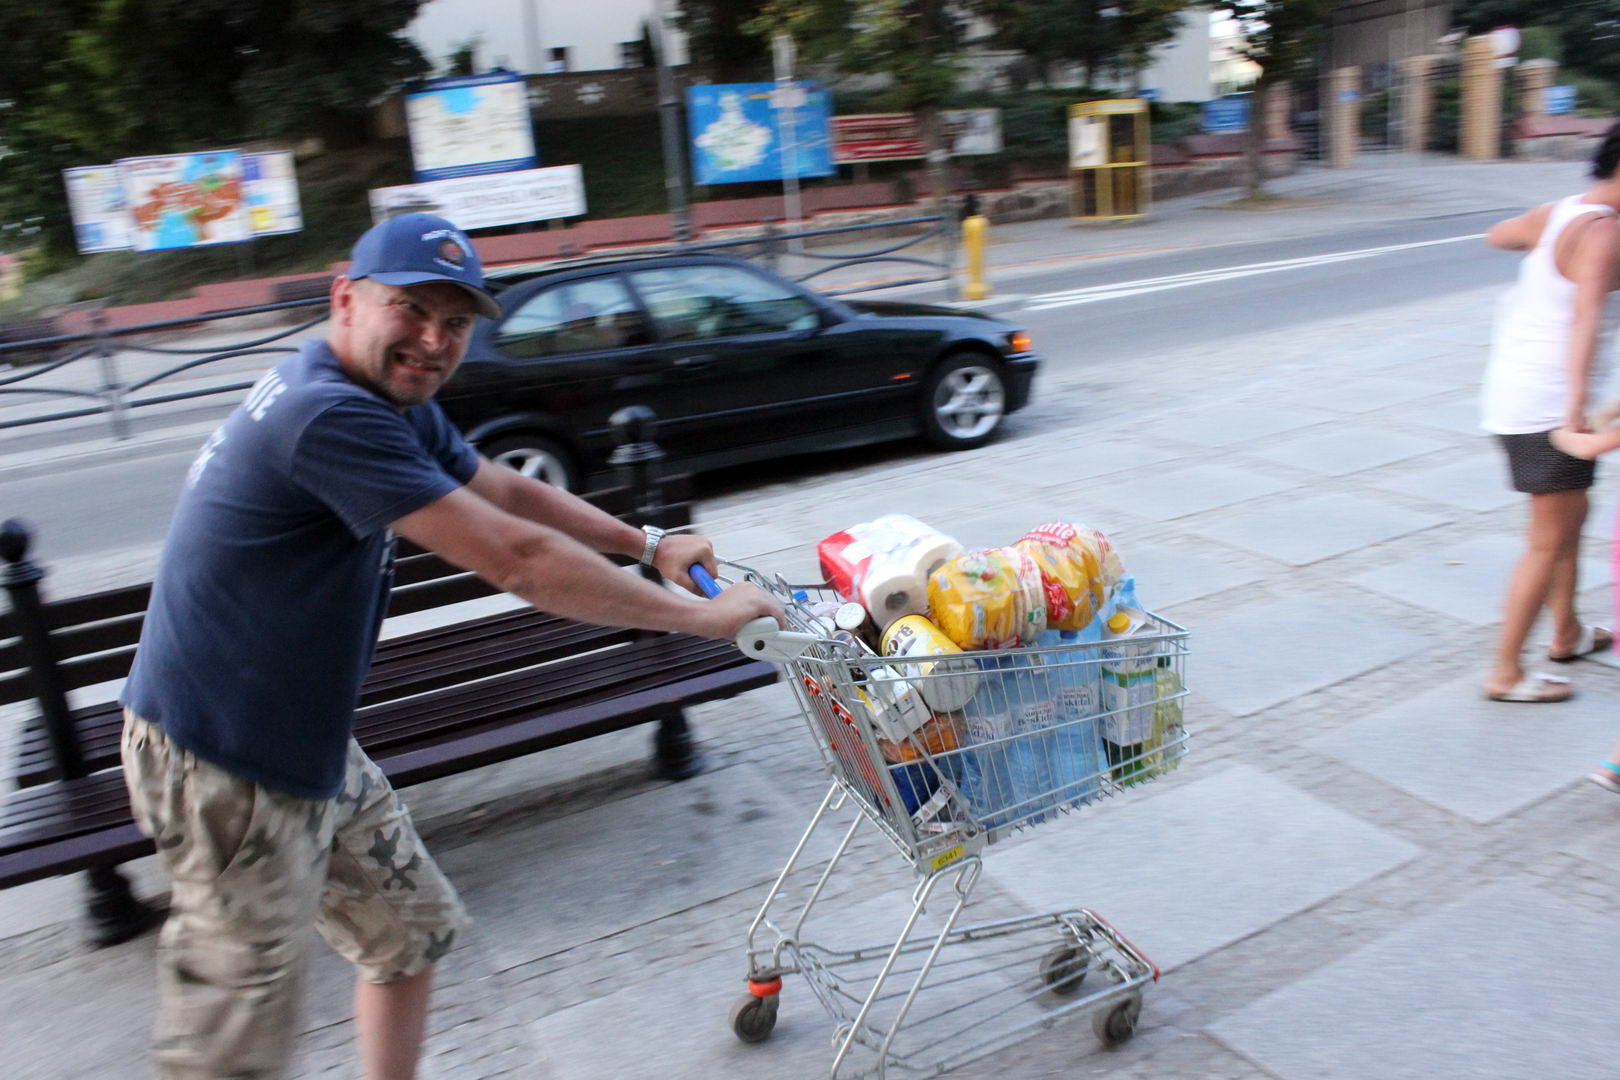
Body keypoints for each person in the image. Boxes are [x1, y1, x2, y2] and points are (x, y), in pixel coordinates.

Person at [118, 212, 784, 1080]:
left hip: (303, 740)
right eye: (412, 309)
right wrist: (703, 621)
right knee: (231, 1049)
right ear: (346, 298)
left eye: (457, 322)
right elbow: (517, 559)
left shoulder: (378, 394)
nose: (434, 341)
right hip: (222, 761)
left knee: (409, 936)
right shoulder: (327, 414)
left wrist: (648, 543)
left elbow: (503, 490)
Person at [1477, 125, 1620, 703]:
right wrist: (1574, 414)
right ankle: (1505, 673)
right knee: (1547, 540)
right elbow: (1585, 322)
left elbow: (1497, 235)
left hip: (1514, 393)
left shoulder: (1560, 212)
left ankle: (1566, 633)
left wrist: (1544, 247)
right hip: (1548, 408)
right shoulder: (1605, 232)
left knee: (1571, 516)